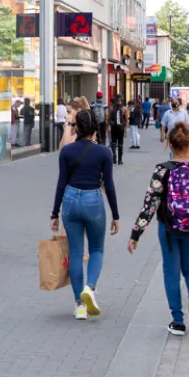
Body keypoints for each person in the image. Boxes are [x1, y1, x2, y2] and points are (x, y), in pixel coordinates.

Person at [128, 122, 189, 336]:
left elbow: (149, 204)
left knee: (171, 271)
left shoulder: (162, 170)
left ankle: (177, 321)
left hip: (169, 228)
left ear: (169, 144)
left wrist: (136, 234)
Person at [50, 110, 120, 320]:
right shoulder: (104, 153)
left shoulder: (67, 152)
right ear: (95, 128)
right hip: (93, 200)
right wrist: (116, 215)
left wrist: (54, 213)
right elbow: (109, 185)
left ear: (76, 127)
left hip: (70, 199)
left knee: (75, 253)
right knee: (96, 249)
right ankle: (89, 288)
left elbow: (61, 183)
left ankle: (79, 306)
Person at [107, 96, 129, 165]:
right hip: (121, 127)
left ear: (115, 99)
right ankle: (120, 160)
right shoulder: (124, 108)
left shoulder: (111, 108)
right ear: (121, 99)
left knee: (113, 142)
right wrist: (125, 127)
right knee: (120, 143)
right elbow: (126, 119)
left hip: (113, 127)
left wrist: (108, 126)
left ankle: (114, 157)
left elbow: (108, 118)